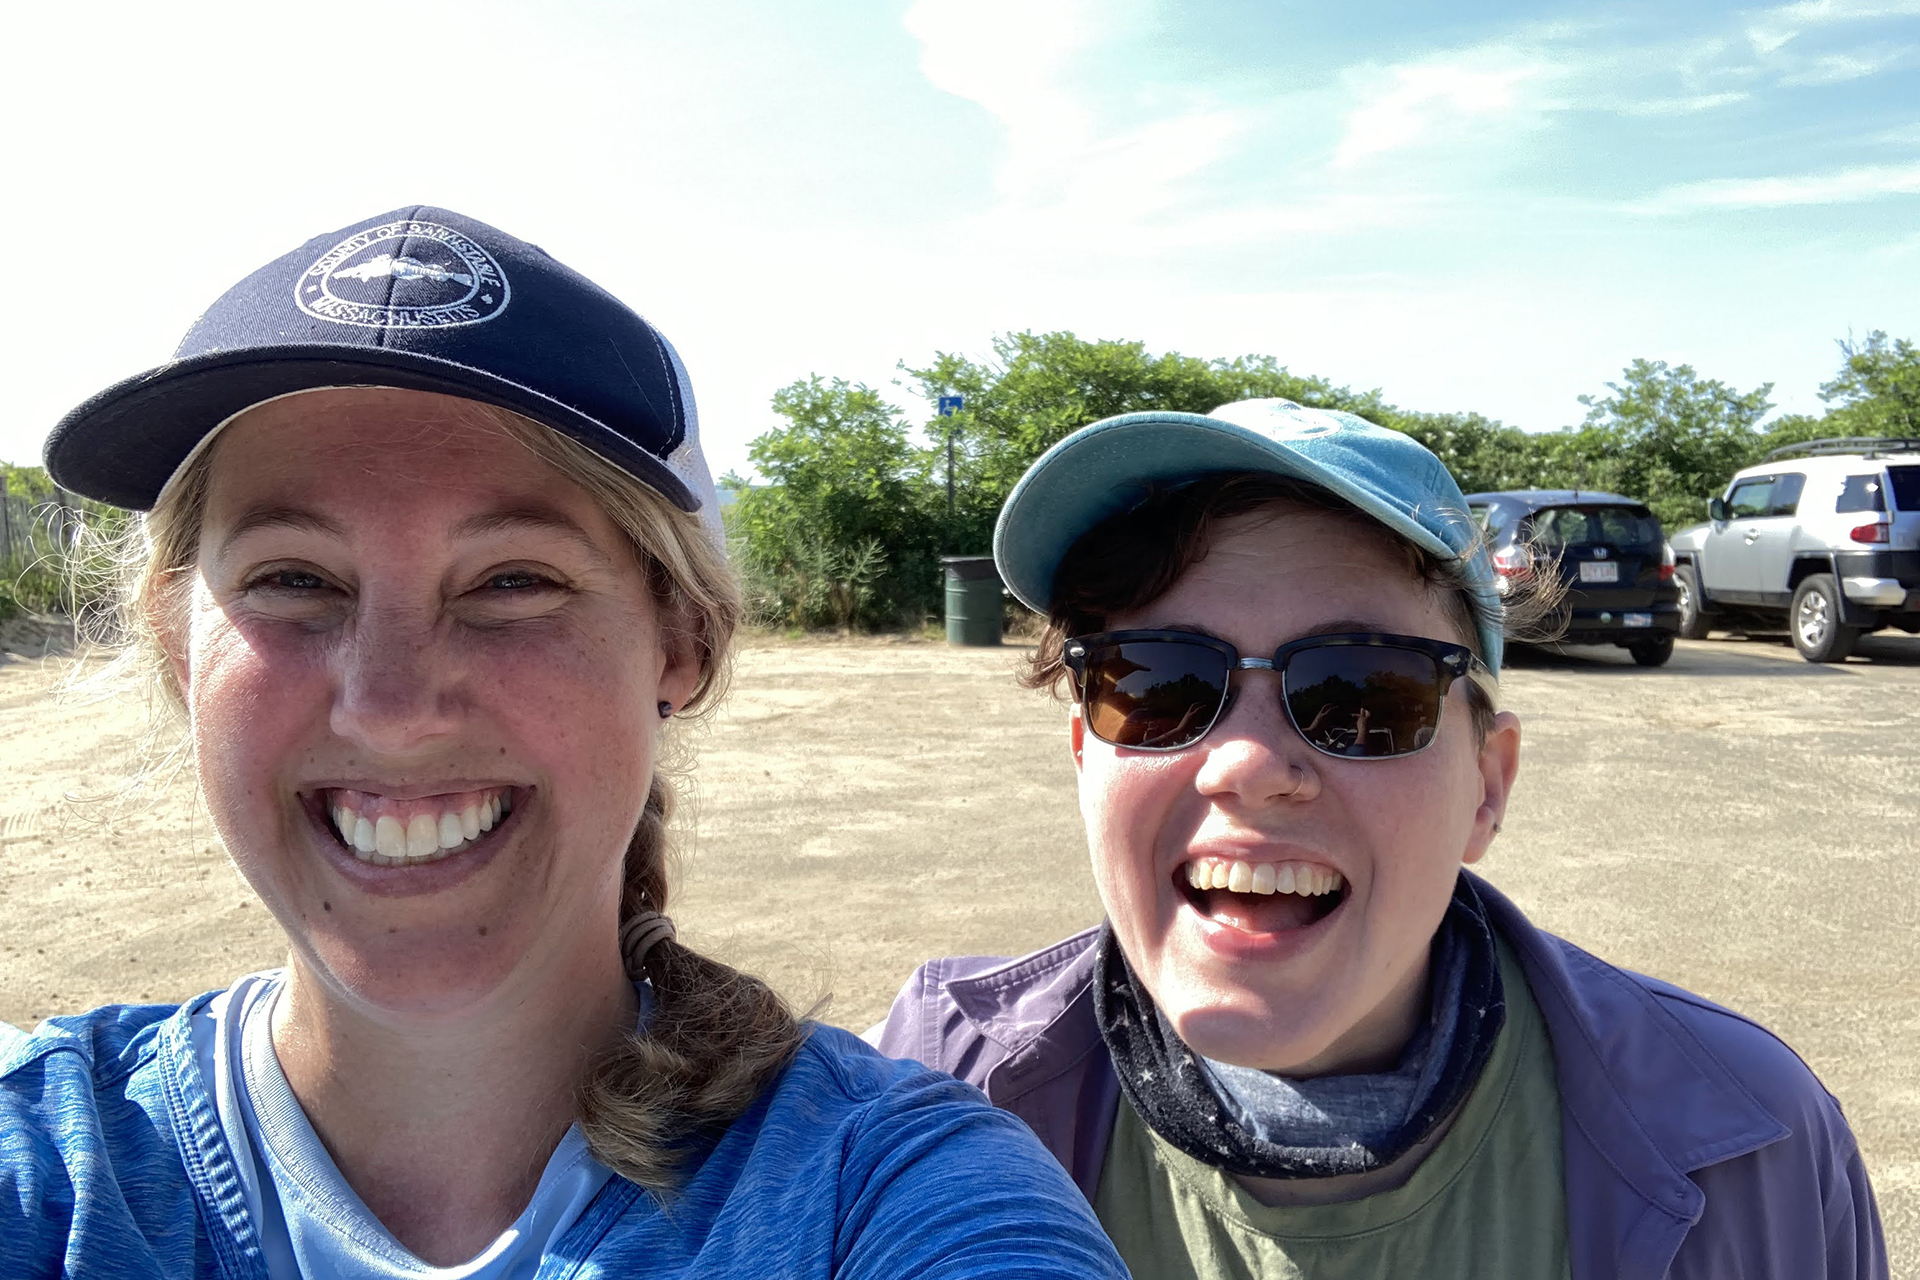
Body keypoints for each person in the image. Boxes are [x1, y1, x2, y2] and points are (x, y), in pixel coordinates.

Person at [1, 206, 1128, 1280]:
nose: (390, 704)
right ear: (177, 640)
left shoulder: (885, 1196)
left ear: (681, 639)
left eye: (513, 581)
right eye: (294, 578)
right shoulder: (49, 1169)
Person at [871, 399, 1887, 1278]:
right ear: (1086, 757)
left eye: (1362, 689)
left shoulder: (1754, 1147)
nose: (1247, 764)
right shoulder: (913, 1109)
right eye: (1155, 682)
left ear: (1487, 787)